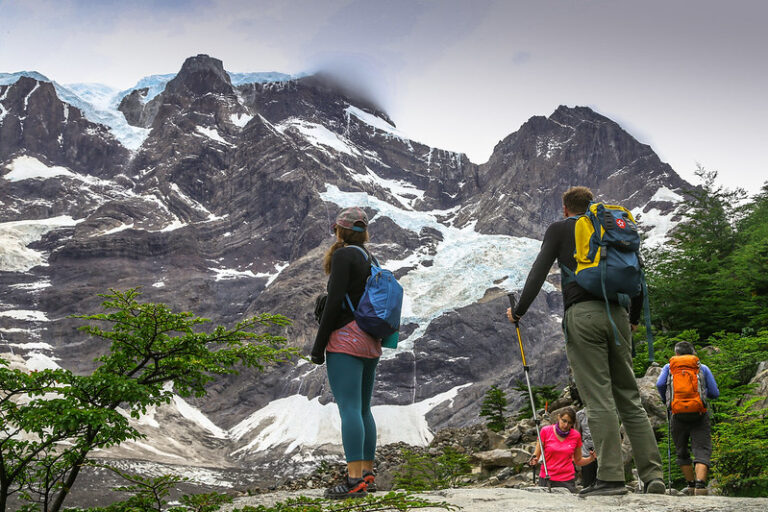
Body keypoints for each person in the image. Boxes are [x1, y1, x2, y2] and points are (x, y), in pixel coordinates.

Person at [506, 186, 665, 496]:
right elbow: (637, 277)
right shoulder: (609, 228)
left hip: (583, 315)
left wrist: (519, 310)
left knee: (599, 399)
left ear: (566, 209)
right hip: (618, 314)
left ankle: (610, 478)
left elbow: (539, 272)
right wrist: (632, 319)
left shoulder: (561, 228)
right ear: (591, 206)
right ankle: (653, 476)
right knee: (630, 399)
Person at [310, 207, 381, 499]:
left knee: (349, 408)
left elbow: (336, 301)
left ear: (339, 231)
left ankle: (354, 481)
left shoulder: (343, 255)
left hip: (345, 340)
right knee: (364, 409)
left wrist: (318, 347)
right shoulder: (370, 258)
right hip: (370, 340)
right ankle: (366, 474)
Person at [656, 341, 720, 496]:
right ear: (693, 353)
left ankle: (690, 485)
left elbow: (659, 384)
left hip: (677, 414)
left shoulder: (669, 368)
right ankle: (700, 485)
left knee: (681, 450)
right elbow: (714, 393)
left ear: (676, 353)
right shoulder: (701, 368)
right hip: (699, 414)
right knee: (702, 449)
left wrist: (669, 401)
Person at [529, 407, 596, 492]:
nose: (566, 425)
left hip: (567, 481)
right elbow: (536, 456)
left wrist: (591, 458)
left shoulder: (576, 436)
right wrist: (533, 460)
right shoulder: (545, 431)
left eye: (569, 423)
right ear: (558, 417)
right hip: (546, 478)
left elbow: (578, 460)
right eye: (564, 421)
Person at [576, 407, 598, 488]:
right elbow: (577, 434)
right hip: (586, 450)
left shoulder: (604, 412)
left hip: (601, 450)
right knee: (588, 481)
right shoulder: (580, 415)